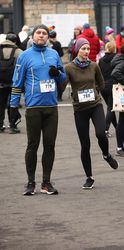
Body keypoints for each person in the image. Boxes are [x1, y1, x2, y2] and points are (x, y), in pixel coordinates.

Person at [10, 24, 66, 195]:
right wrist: (13, 106)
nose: (41, 35)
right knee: (32, 145)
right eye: (38, 33)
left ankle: (46, 183)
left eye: (44, 33)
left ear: (48, 37)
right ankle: (30, 182)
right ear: (33, 36)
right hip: (33, 107)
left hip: (51, 108)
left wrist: (58, 74)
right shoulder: (24, 56)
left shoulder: (54, 54)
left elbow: (63, 79)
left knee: (50, 145)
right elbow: (17, 82)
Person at [62, 38, 118, 189]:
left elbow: (101, 83)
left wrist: (95, 93)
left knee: (101, 134)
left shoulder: (94, 66)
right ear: (77, 50)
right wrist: (57, 76)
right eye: (83, 49)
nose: (86, 52)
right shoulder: (69, 68)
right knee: (85, 144)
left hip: (95, 106)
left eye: (88, 49)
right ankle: (89, 177)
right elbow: (61, 88)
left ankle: (106, 155)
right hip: (80, 109)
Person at [0, 33, 23, 134]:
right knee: (13, 104)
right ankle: (12, 125)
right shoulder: (19, 52)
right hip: (15, 83)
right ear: (15, 41)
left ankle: (0, 125)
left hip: (0, 83)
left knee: (1, 104)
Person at [98, 42, 117, 137]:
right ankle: (105, 129)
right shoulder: (116, 58)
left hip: (103, 86)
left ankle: (117, 128)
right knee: (111, 108)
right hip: (113, 85)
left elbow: (99, 73)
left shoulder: (101, 60)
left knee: (111, 108)